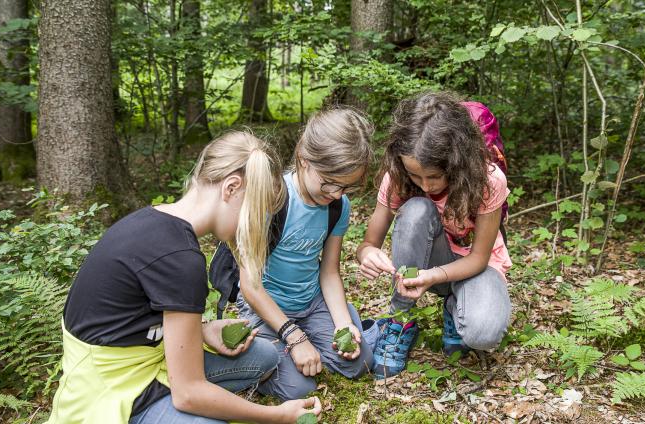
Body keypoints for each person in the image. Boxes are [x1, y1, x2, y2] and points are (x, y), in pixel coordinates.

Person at [47, 131, 322, 424]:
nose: (256, 224)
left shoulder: (151, 220)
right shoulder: (181, 260)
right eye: (256, 210)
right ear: (231, 188)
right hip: (112, 392)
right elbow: (188, 393)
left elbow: (131, 318)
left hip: (149, 359)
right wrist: (277, 416)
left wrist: (202, 329)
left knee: (265, 355)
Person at [356, 91, 512, 379]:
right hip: (431, 258)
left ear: (456, 163)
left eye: (435, 176)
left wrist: (432, 276)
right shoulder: (398, 176)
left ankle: (456, 308)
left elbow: (478, 259)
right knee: (416, 208)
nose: (426, 185)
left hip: (474, 267)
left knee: (483, 334)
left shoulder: (488, 180)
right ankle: (400, 319)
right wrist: (367, 254)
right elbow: (368, 243)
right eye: (416, 176)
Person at [237, 108, 375, 401]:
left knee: (360, 362)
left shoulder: (339, 206)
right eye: (329, 182)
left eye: (347, 186)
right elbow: (250, 285)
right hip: (266, 306)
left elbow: (329, 272)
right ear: (303, 159)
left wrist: (343, 324)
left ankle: (329, 328)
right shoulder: (273, 199)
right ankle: (264, 350)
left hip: (310, 302)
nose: (337, 193)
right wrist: (293, 335)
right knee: (299, 388)